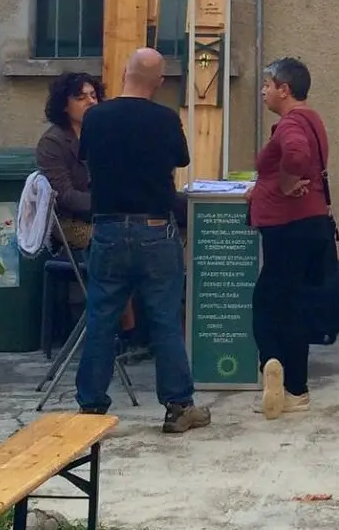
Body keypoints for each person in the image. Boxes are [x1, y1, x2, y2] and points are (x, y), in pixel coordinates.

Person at [74, 48, 209, 434]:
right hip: (155, 228)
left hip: (108, 228)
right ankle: (178, 407)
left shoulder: (95, 117)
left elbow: (86, 158)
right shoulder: (165, 119)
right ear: (159, 82)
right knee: (165, 318)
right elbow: (181, 160)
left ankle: (91, 408)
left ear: (125, 73)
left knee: (101, 317)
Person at [250, 57, 335, 420]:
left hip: (287, 226)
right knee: (295, 304)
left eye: (267, 85)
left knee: (267, 302)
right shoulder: (312, 119)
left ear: (284, 90)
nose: (263, 91)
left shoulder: (290, 123)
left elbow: (296, 155)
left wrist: (284, 183)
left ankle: (271, 362)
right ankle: (296, 390)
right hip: (311, 222)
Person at [36, 71, 104, 248]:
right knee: (111, 239)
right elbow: (64, 195)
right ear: (64, 106)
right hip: (69, 221)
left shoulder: (104, 134)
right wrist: (108, 204)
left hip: (107, 216)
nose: (91, 102)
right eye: (81, 98)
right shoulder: (52, 142)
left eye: (93, 96)